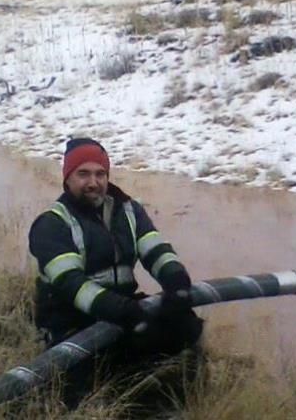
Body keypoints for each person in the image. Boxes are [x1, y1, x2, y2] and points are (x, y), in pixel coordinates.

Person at [28, 137, 203, 406]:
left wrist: (177, 282)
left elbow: (156, 251)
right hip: (73, 322)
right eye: (83, 174)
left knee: (186, 326)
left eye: (100, 174)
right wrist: (125, 313)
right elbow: (71, 285)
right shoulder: (52, 224)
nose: (93, 182)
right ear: (67, 179)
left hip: (122, 309)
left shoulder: (129, 211)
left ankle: (180, 404)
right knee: (91, 390)